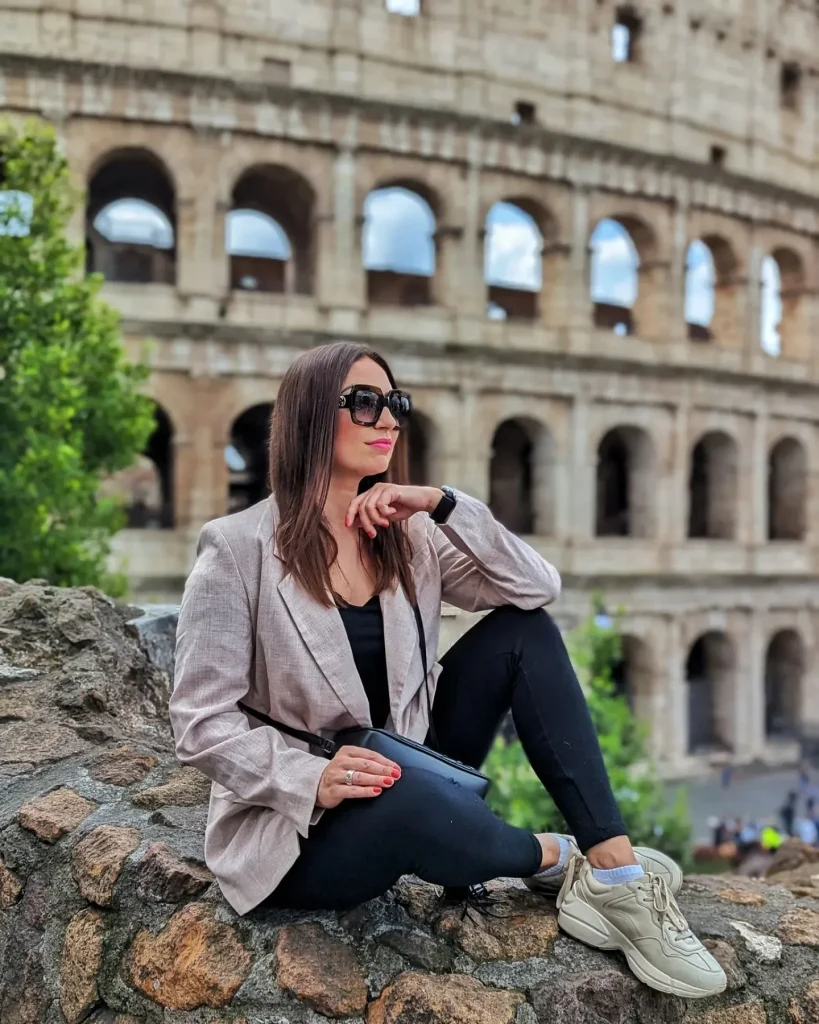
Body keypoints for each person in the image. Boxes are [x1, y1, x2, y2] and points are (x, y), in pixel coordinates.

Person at [170, 341, 726, 1000]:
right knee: (401, 794)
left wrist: (442, 504)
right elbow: (200, 722)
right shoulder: (236, 550)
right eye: (365, 403)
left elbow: (534, 588)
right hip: (303, 828)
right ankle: (559, 859)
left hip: (415, 761)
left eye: (394, 404)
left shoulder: (407, 535)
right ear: (309, 415)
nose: (387, 421)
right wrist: (310, 777)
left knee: (524, 635)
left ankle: (613, 871)